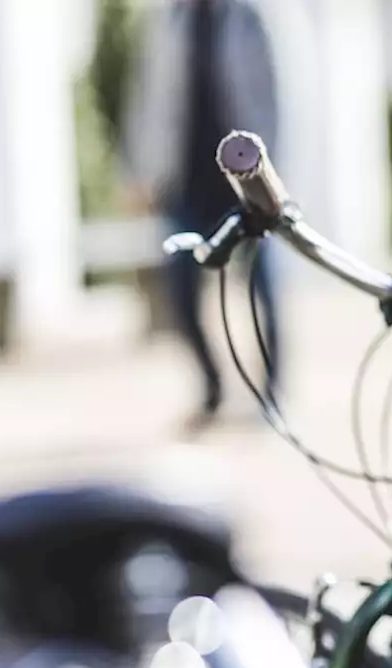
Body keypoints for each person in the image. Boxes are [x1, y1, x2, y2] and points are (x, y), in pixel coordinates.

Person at [122, 0, 281, 432]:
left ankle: (273, 394)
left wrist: (273, 177)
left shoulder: (252, 15)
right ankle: (211, 386)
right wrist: (140, 172)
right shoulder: (167, 19)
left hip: (246, 181)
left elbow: (278, 93)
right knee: (180, 289)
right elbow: (147, 99)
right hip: (184, 180)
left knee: (263, 289)